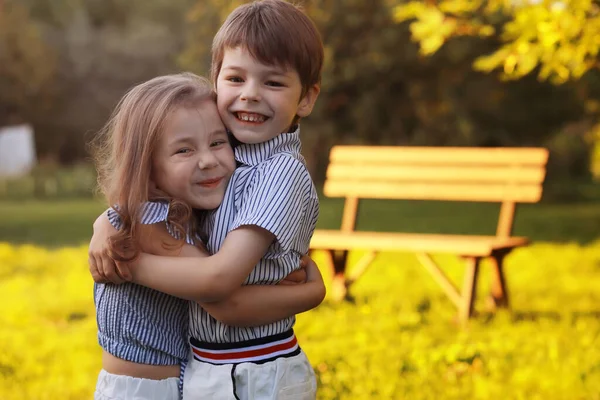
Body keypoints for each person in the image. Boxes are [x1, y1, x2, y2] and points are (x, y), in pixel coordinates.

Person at [90, 72, 325, 400]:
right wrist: (312, 293)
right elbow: (224, 300)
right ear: (148, 169)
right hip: (145, 390)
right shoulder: (153, 223)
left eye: (218, 142)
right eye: (183, 150)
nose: (208, 160)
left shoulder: (180, 214)